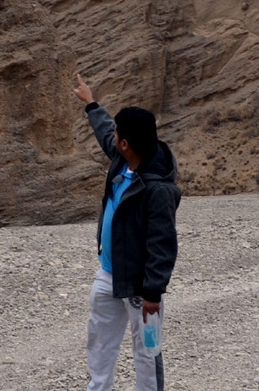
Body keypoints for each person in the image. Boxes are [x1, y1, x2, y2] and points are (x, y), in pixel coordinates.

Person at [73, 72, 180, 391]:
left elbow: (163, 244)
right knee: (99, 344)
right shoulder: (124, 160)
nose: (114, 137)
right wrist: (91, 103)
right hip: (108, 275)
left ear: (127, 143)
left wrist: (152, 292)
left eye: (119, 134)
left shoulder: (159, 190)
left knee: (148, 350)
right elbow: (107, 132)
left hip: (141, 291)